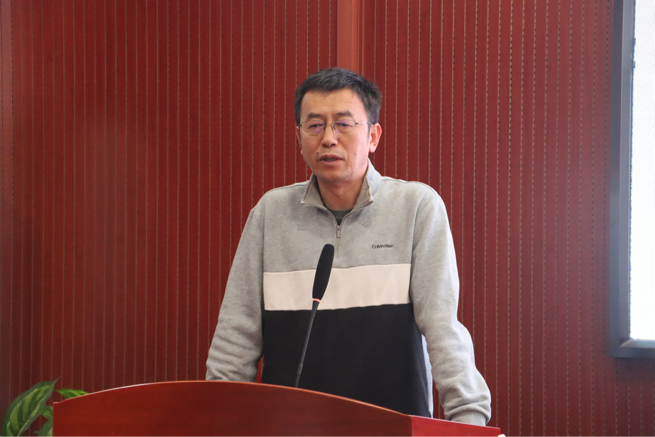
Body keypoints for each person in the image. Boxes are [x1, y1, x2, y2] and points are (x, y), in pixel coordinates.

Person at [206, 68, 491, 425]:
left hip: (394, 428)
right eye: (314, 125)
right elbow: (236, 338)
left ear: (373, 136)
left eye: (343, 124)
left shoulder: (416, 208)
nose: (328, 138)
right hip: (292, 427)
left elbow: (443, 328)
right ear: (299, 137)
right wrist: (217, 421)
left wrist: (469, 418)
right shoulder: (271, 214)